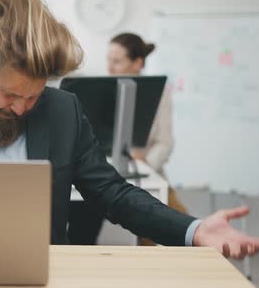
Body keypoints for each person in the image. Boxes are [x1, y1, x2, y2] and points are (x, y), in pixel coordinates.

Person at [0, 0, 259, 259]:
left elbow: (113, 194)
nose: (21, 107)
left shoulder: (63, 110)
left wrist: (194, 229)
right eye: (11, 94)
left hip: (40, 275)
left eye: (32, 96)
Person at [68, 33, 186, 246]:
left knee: (171, 227)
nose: (110, 67)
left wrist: (146, 160)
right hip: (102, 170)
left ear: (137, 63)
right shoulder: (98, 90)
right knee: (82, 225)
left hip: (146, 171)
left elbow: (165, 142)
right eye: (108, 59)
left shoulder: (160, 94)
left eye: (117, 61)